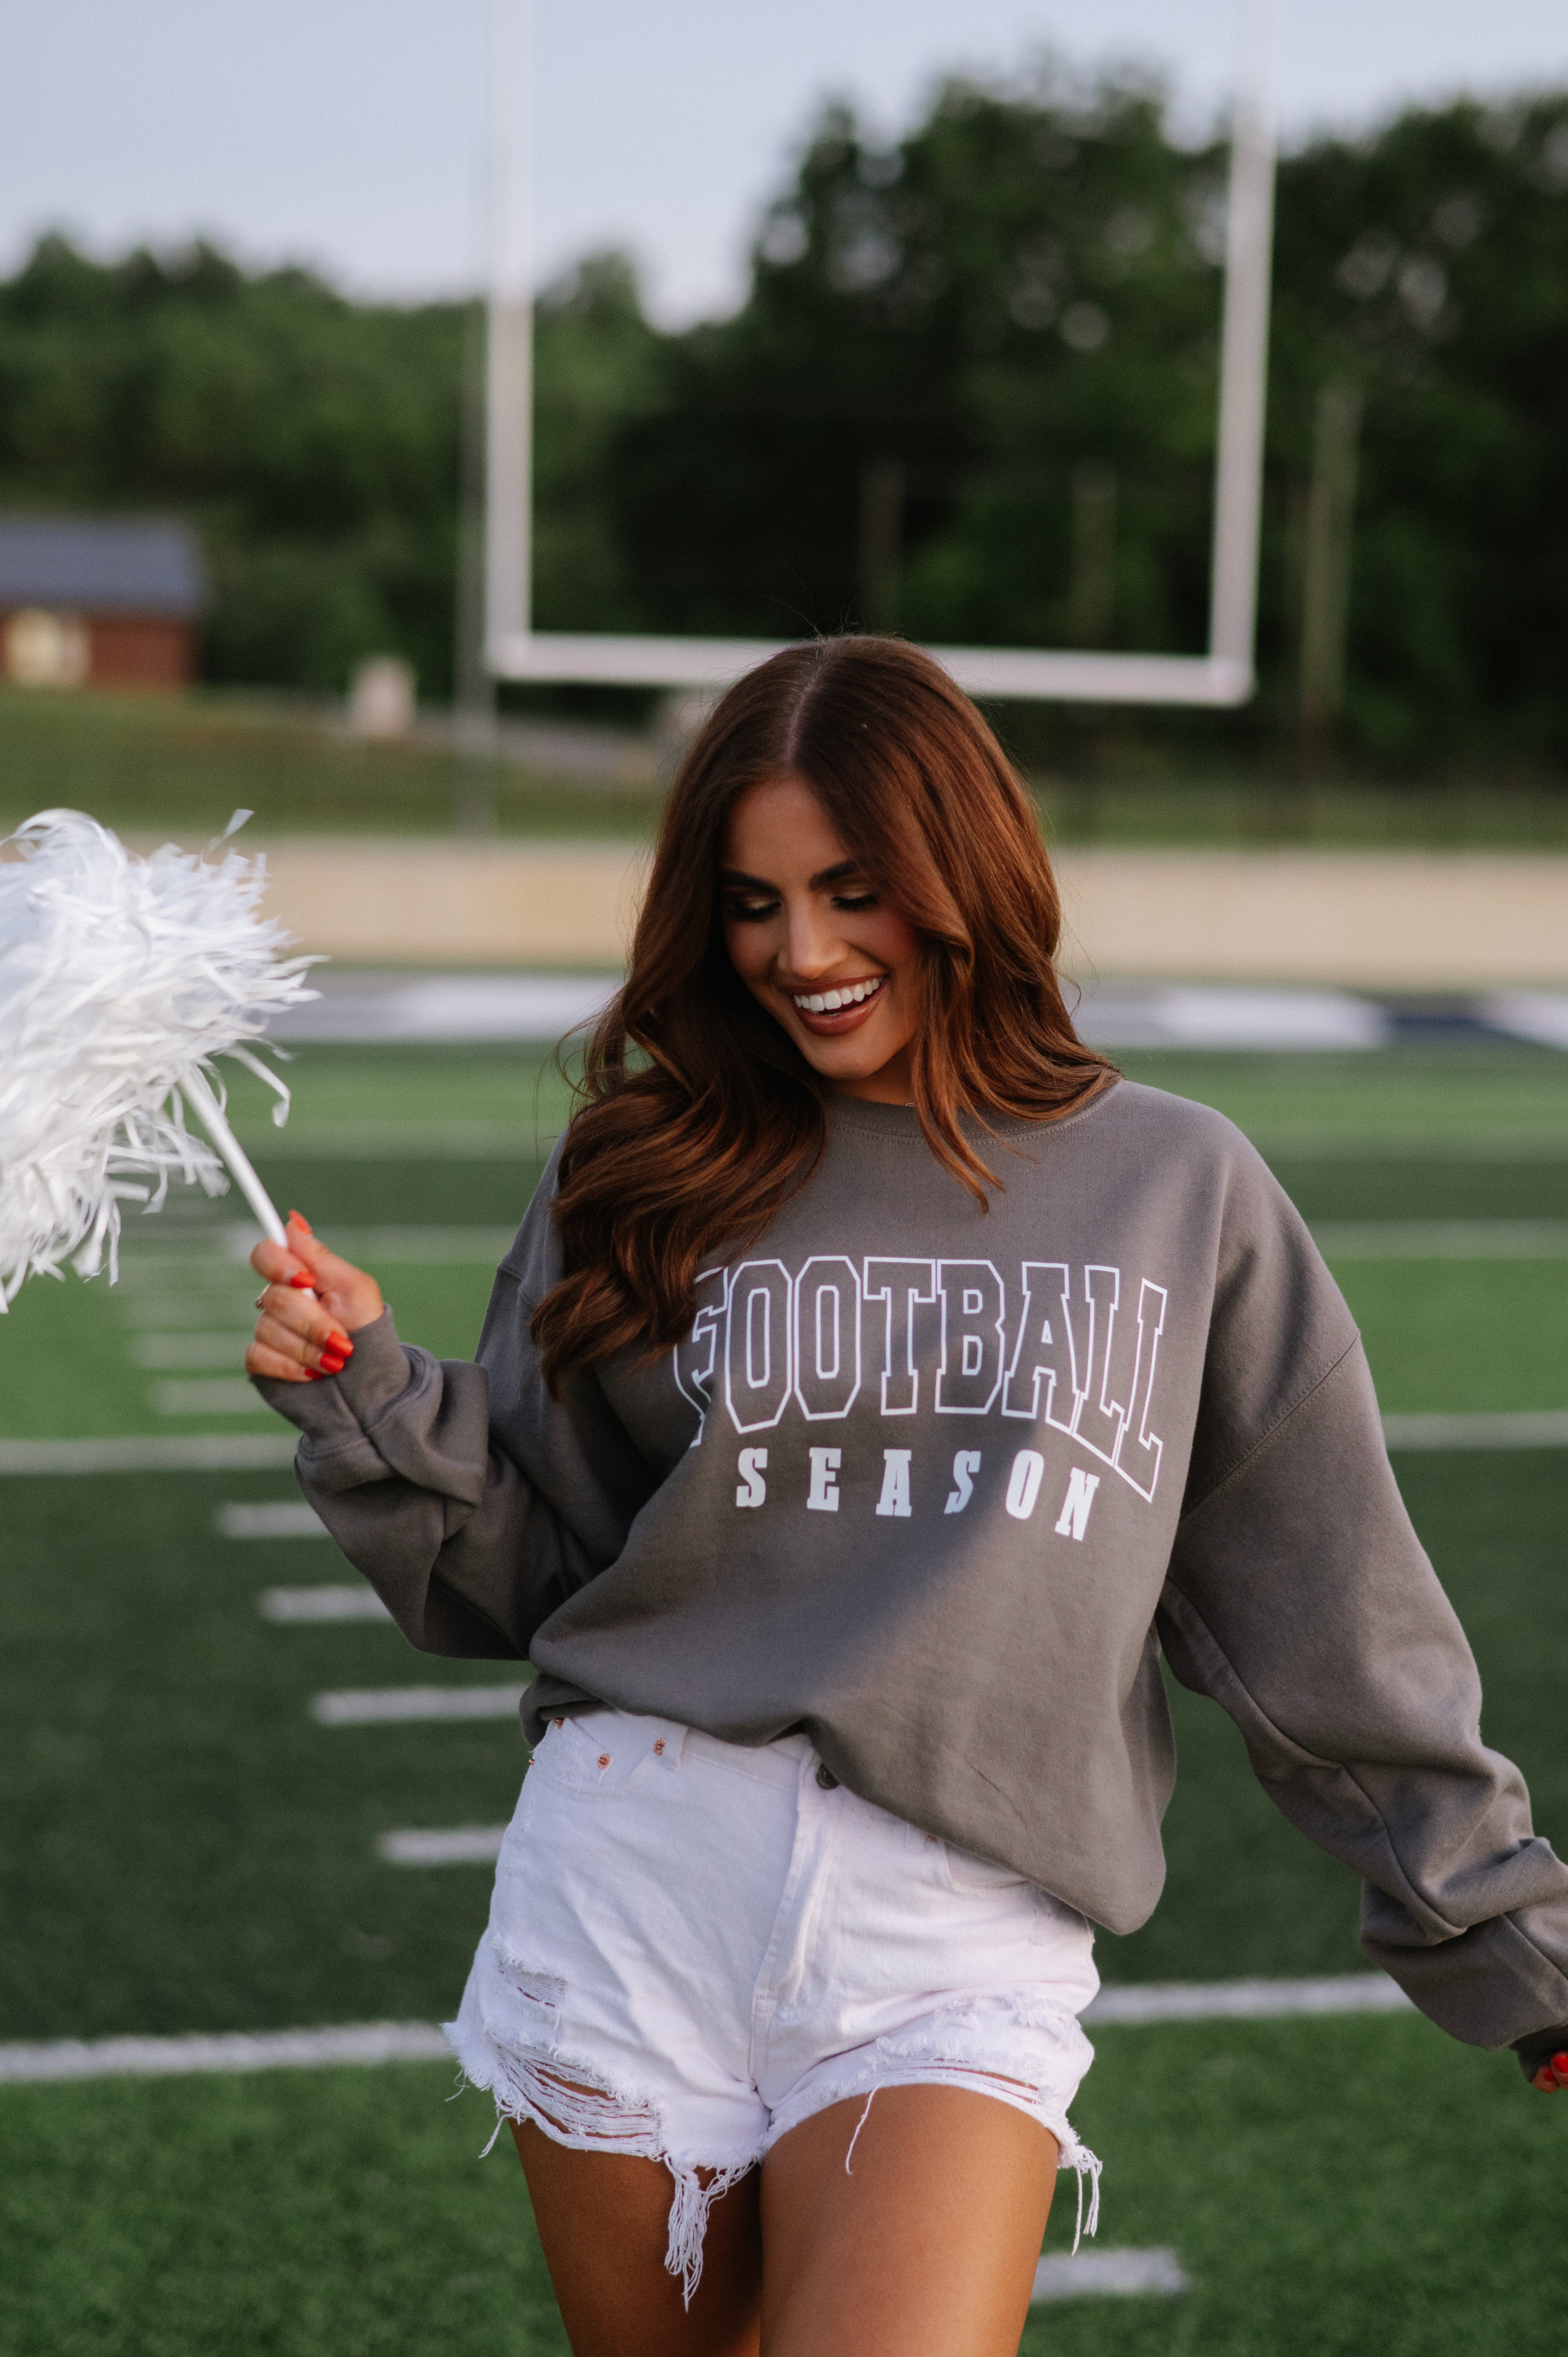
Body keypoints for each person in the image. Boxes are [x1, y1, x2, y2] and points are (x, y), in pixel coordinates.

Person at [247, 637, 1568, 2357]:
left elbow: (1327, 1617)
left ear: (968, 872)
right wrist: (367, 1396)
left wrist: (1511, 1944)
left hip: (957, 1927)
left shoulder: (1178, 1189)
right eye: (750, 901)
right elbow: (534, 1573)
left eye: (853, 889)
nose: (799, 953)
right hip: (633, 1867)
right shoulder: (642, 1174)